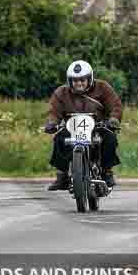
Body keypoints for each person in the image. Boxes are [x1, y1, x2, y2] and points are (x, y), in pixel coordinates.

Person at [43, 60, 122, 190]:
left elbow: (115, 105)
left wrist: (113, 119)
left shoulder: (102, 87)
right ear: (70, 81)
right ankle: (62, 176)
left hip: (98, 127)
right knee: (59, 138)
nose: (78, 83)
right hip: (71, 128)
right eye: (75, 80)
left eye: (82, 80)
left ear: (89, 79)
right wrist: (52, 123)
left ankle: (107, 171)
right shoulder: (61, 93)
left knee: (110, 138)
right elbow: (54, 111)